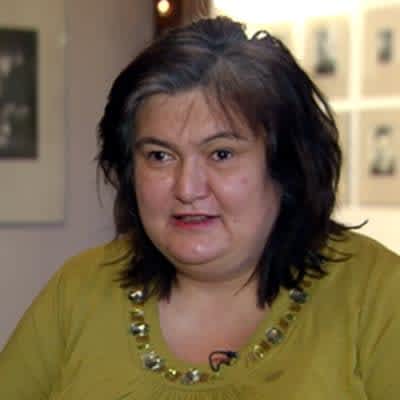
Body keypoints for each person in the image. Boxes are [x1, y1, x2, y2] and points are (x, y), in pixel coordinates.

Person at [1, 16, 399, 399]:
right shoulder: (80, 288)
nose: (187, 189)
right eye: (159, 156)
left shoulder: (377, 295)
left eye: (221, 154)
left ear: (286, 166)